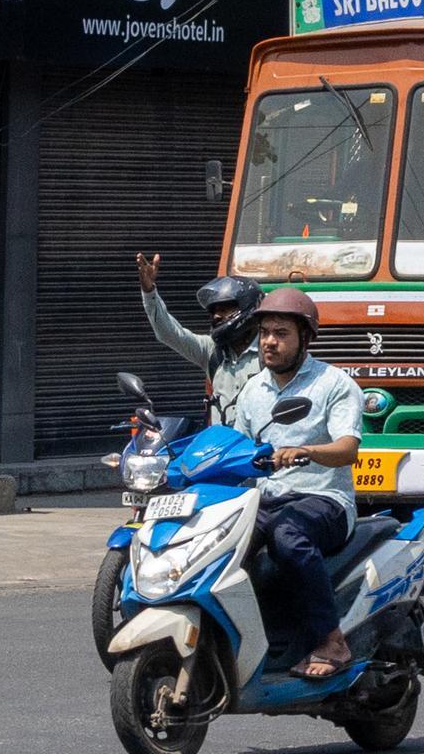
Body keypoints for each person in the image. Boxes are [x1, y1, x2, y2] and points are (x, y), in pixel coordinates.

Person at [226, 288, 369, 684]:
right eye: (265, 332)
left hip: (325, 500)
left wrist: (304, 450)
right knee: (218, 540)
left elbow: (347, 449)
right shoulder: (253, 390)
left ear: (304, 339)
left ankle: (331, 640)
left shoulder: (334, 384)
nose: (269, 341)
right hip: (266, 498)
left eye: (281, 333)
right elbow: (236, 447)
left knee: (287, 536)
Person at [136, 253, 267, 415]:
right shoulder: (212, 351)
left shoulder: (270, 351)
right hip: (221, 439)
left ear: (248, 306)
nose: (217, 316)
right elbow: (169, 333)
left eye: (224, 309)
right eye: (213, 312)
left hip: (259, 439)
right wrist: (149, 292)